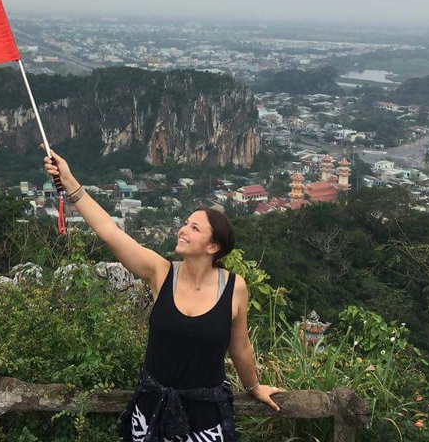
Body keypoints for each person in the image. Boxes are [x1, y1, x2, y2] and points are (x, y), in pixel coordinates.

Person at [43, 150, 283, 442]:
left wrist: (254, 386)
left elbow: (240, 346)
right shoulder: (161, 272)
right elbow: (110, 232)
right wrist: (69, 182)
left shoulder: (234, 287)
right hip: (152, 409)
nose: (182, 230)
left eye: (195, 228)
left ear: (212, 247)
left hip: (205, 414)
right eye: (185, 223)